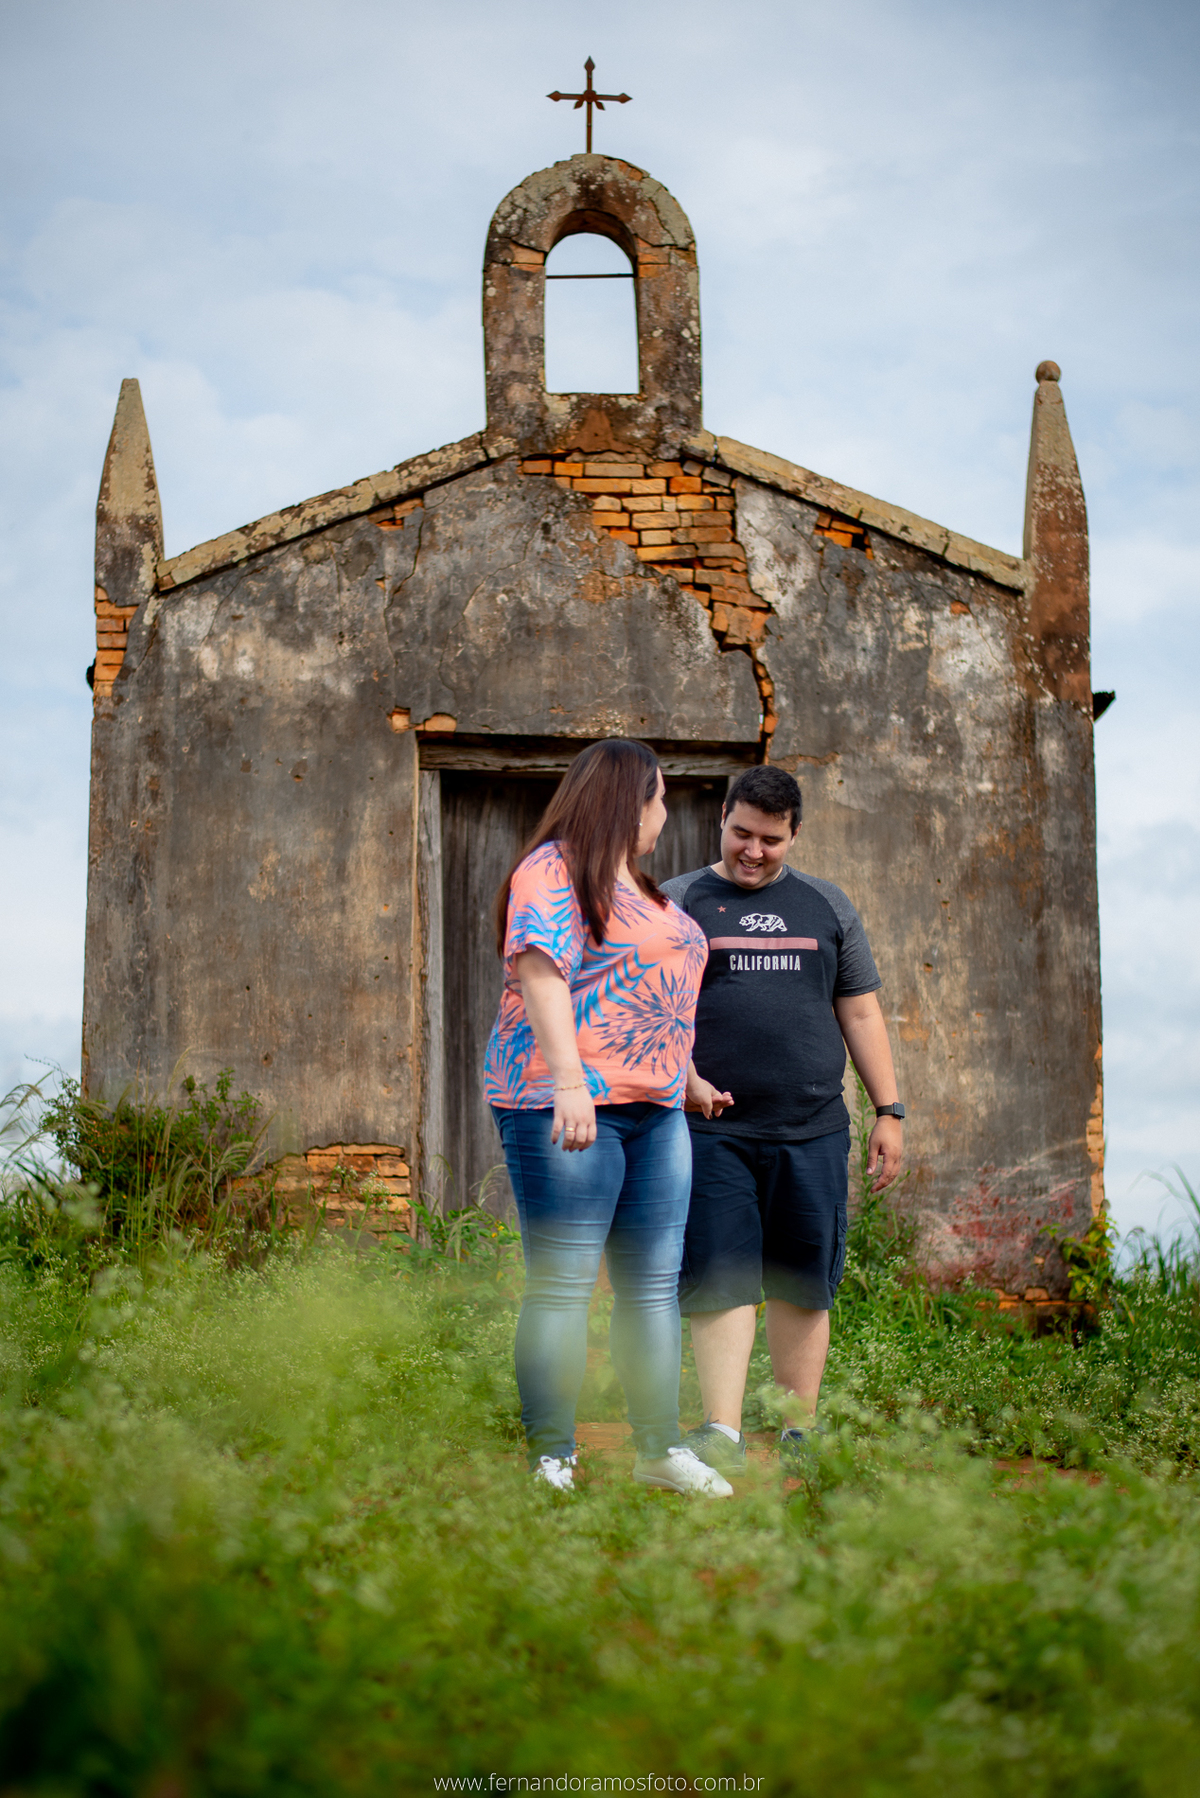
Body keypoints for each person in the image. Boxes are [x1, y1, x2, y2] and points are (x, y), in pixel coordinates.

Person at [484, 738, 733, 1497]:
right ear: (631, 799)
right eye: (659, 798)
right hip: (566, 1105)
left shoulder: (648, 891)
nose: (664, 813)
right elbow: (540, 970)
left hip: (656, 1112)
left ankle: (658, 1449)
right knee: (562, 1284)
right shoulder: (552, 869)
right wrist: (569, 1083)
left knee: (652, 1287)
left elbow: (646, 997)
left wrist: (684, 1076)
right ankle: (551, 1456)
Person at [661, 765, 904, 1475]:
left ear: (794, 833)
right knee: (722, 1273)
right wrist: (679, 1081)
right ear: (723, 821)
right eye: (741, 833)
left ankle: (799, 1426)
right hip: (711, 1131)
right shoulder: (680, 902)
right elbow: (651, 1006)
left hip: (813, 1127)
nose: (753, 850)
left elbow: (859, 1010)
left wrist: (889, 1110)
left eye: (770, 839)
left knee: (804, 1276)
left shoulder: (827, 906)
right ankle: (722, 1431)